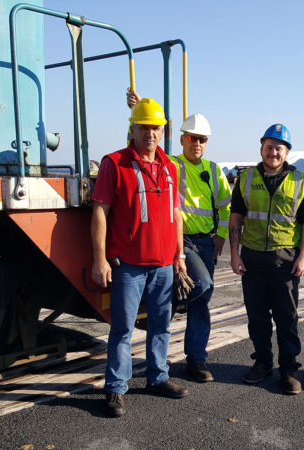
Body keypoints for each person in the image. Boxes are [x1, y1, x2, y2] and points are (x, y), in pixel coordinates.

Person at [91, 98, 189, 418]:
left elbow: (176, 213)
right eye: (144, 126)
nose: (150, 133)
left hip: (163, 264)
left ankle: (157, 377)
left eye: (155, 127)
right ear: (132, 129)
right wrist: (100, 259)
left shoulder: (171, 167)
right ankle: (116, 388)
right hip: (129, 267)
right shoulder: (114, 163)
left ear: (163, 130)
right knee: (122, 328)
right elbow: (100, 212)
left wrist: (179, 255)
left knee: (162, 325)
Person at [126, 89, 232, 383]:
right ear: (182, 138)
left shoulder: (214, 171)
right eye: (192, 137)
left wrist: (220, 237)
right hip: (180, 243)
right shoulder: (169, 163)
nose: (197, 143)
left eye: (202, 139)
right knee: (201, 286)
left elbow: (226, 209)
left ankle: (195, 360)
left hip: (206, 243)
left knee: (200, 300)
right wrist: (135, 116)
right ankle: (169, 316)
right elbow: (138, 149)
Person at [229, 124, 304, 395]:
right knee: (257, 318)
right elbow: (236, 217)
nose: (273, 152)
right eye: (269, 146)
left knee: (287, 319)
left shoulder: (300, 180)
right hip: (253, 259)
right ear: (261, 148)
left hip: (285, 261)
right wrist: (234, 254)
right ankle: (263, 363)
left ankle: (288, 371)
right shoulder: (246, 178)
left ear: (287, 151)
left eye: (279, 147)